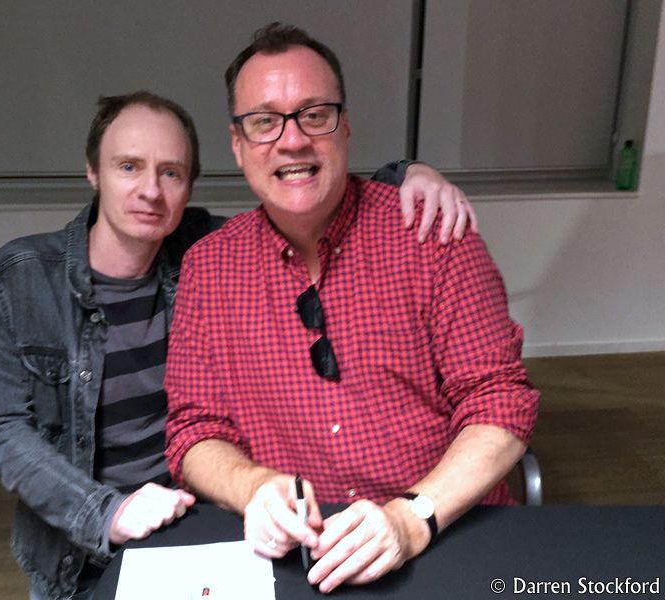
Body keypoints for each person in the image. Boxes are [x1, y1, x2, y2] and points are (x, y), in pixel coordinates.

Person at [0, 90, 475, 600]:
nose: (150, 190)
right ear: (93, 172)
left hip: (207, 518)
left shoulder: (205, 252)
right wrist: (106, 511)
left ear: (189, 186)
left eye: (171, 172)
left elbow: (305, 201)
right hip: (80, 545)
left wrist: (410, 173)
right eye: (128, 166)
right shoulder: (18, 281)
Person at [164, 23, 539, 595]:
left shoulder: (433, 233)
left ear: (345, 127)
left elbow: (499, 399)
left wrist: (412, 519)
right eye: (264, 121)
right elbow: (194, 431)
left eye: (314, 113)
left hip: (445, 527)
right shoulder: (208, 268)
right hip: (301, 553)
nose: (292, 141)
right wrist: (252, 487)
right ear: (237, 145)